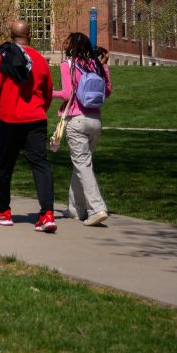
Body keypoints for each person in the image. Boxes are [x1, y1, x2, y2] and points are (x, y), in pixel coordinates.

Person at [0, 19, 57, 232]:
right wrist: (41, 110)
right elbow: (48, 92)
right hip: (36, 119)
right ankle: (47, 214)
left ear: (11, 35)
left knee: (4, 166)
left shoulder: (3, 56)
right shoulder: (41, 60)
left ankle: (4, 211)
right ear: (30, 35)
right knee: (40, 164)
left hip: (9, 119)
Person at [52, 33, 110, 226]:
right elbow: (106, 91)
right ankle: (75, 208)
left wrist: (46, 92)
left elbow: (67, 94)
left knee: (83, 165)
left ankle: (97, 208)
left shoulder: (67, 65)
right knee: (82, 164)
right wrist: (105, 65)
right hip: (96, 120)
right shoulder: (96, 65)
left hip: (76, 120)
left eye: (67, 42)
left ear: (72, 46)